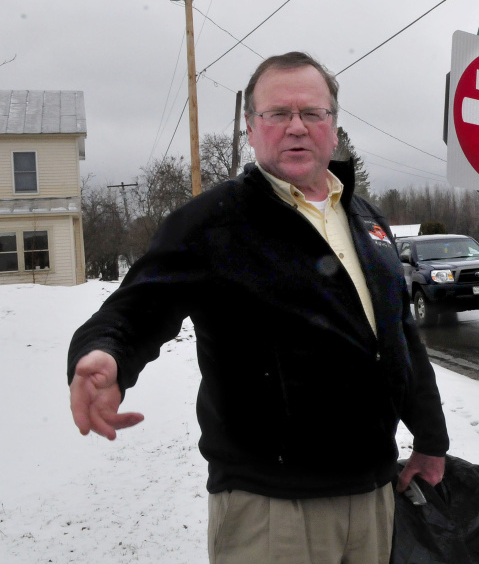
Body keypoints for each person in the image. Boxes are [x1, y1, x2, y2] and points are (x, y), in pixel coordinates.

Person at [67, 51, 449, 564]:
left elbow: (399, 336)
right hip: (272, 508)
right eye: (277, 114)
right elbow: (137, 308)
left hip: (374, 492)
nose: (296, 128)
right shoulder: (213, 222)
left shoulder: (366, 220)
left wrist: (429, 437)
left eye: (312, 114)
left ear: (333, 128)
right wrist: (104, 352)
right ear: (250, 127)